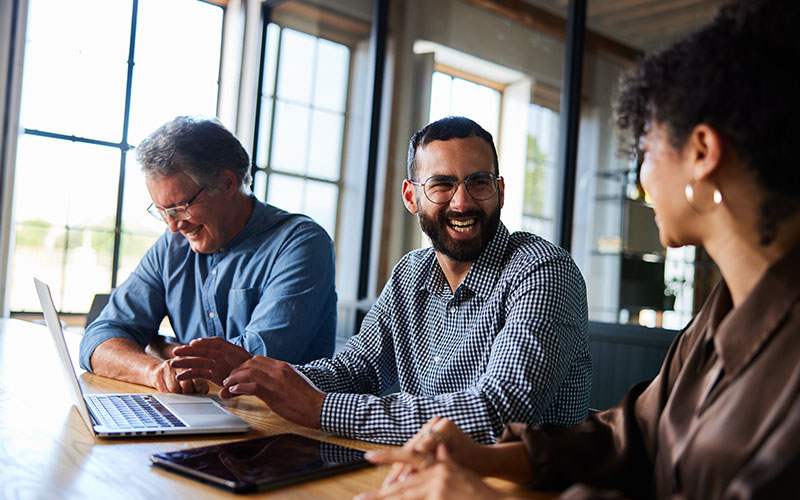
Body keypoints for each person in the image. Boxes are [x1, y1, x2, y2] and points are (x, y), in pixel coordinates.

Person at [357, 0, 800, 498]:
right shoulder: (718, 316)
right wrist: (489, 457)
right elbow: (626, 436)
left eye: (645, 151)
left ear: (701, 152)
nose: (641, 179)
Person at [171, 116, 592, 444]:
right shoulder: (411, 272)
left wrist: (321, 409)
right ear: (412, 197)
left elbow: (497, 415)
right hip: (423, 473)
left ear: (499, 190)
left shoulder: (543, 270)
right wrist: (260, 374)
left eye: (478, 183)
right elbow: (354, 369)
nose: (462, 202)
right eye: (441, 185)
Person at [79, 116, 337, 394]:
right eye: (163, 212)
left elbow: (257, 364)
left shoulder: (301, 243)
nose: (173, 226)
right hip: (194, 409)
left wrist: (162, 347)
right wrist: (154, 370)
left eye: (180, 208)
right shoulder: (172, 246)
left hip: (274, 418)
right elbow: (99, 338)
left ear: (227, 183)